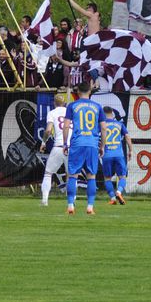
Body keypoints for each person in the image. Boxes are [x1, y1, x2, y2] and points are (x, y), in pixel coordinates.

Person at [61, 81, 103, 216]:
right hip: (92, 143)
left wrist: (65, 143)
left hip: (77, 143)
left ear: (78, 92)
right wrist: (102, 146)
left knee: (73, 175)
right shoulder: (97, 107)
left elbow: (66, 126)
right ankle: (90, 207)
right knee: (91, 176)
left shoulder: (72, 105)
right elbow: (104, 128)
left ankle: (70, 206)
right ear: (90, 91)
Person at [40, 92, 67, 207]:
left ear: (54, 103)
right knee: (72, 175)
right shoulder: (70, 112)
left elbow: (48, 130)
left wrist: (43, 142)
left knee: (48, 173)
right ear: (64, 103)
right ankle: (72, 201)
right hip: (72, 146)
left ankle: (45, 200)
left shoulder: (52, 113)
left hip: (59, 146)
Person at [100, 106, 131, 205]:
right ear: (112, 114)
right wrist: (130, 150)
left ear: (103, 114)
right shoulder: (119, 124)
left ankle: (113, 198)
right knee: (122, 177)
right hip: (119, 154)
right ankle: (119, 191)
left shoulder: (102, 124)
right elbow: (127, 136)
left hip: (107, 154)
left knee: (107, 178)